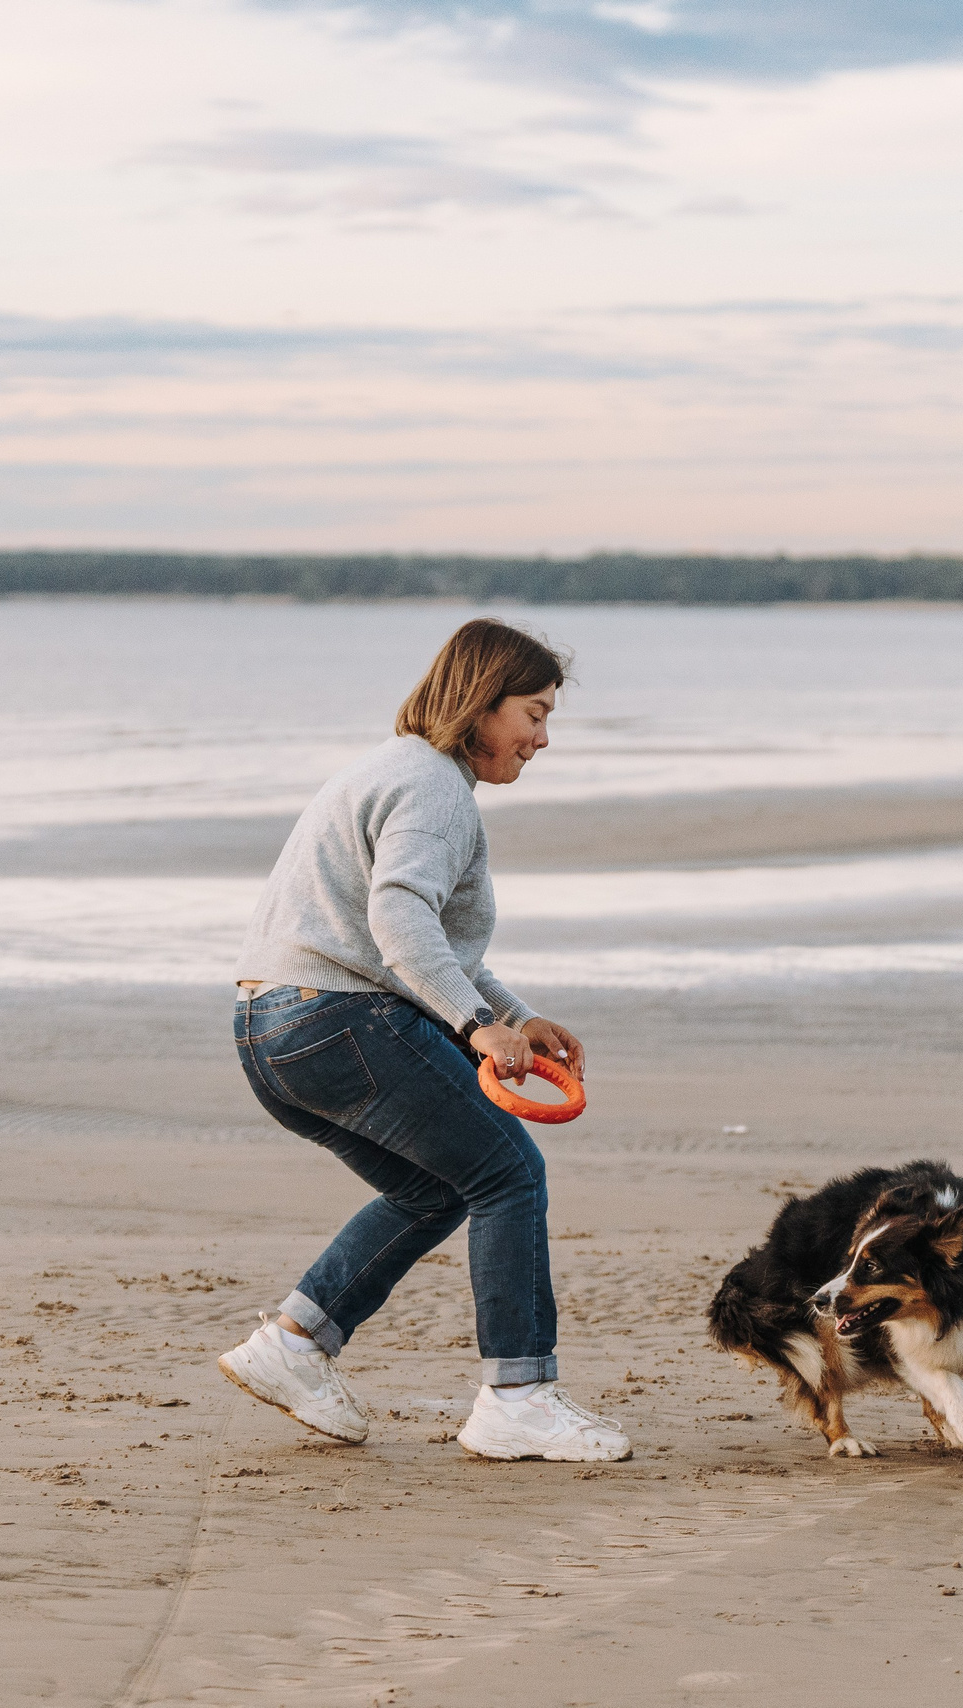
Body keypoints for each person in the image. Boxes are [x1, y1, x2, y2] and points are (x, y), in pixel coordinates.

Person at [219, 617, 627, 1462]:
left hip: (271, 1030)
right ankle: (519, 1395)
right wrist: (478, 1028)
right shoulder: (435, 787)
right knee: (509, 1172)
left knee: (437, 1188)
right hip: (339, 1018)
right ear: (482, 704)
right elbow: (398, 917)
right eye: (534, 714)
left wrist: (513, 1018)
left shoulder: (396, 770)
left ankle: (294, 1343)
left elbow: (415, 941)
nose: (543, 739)